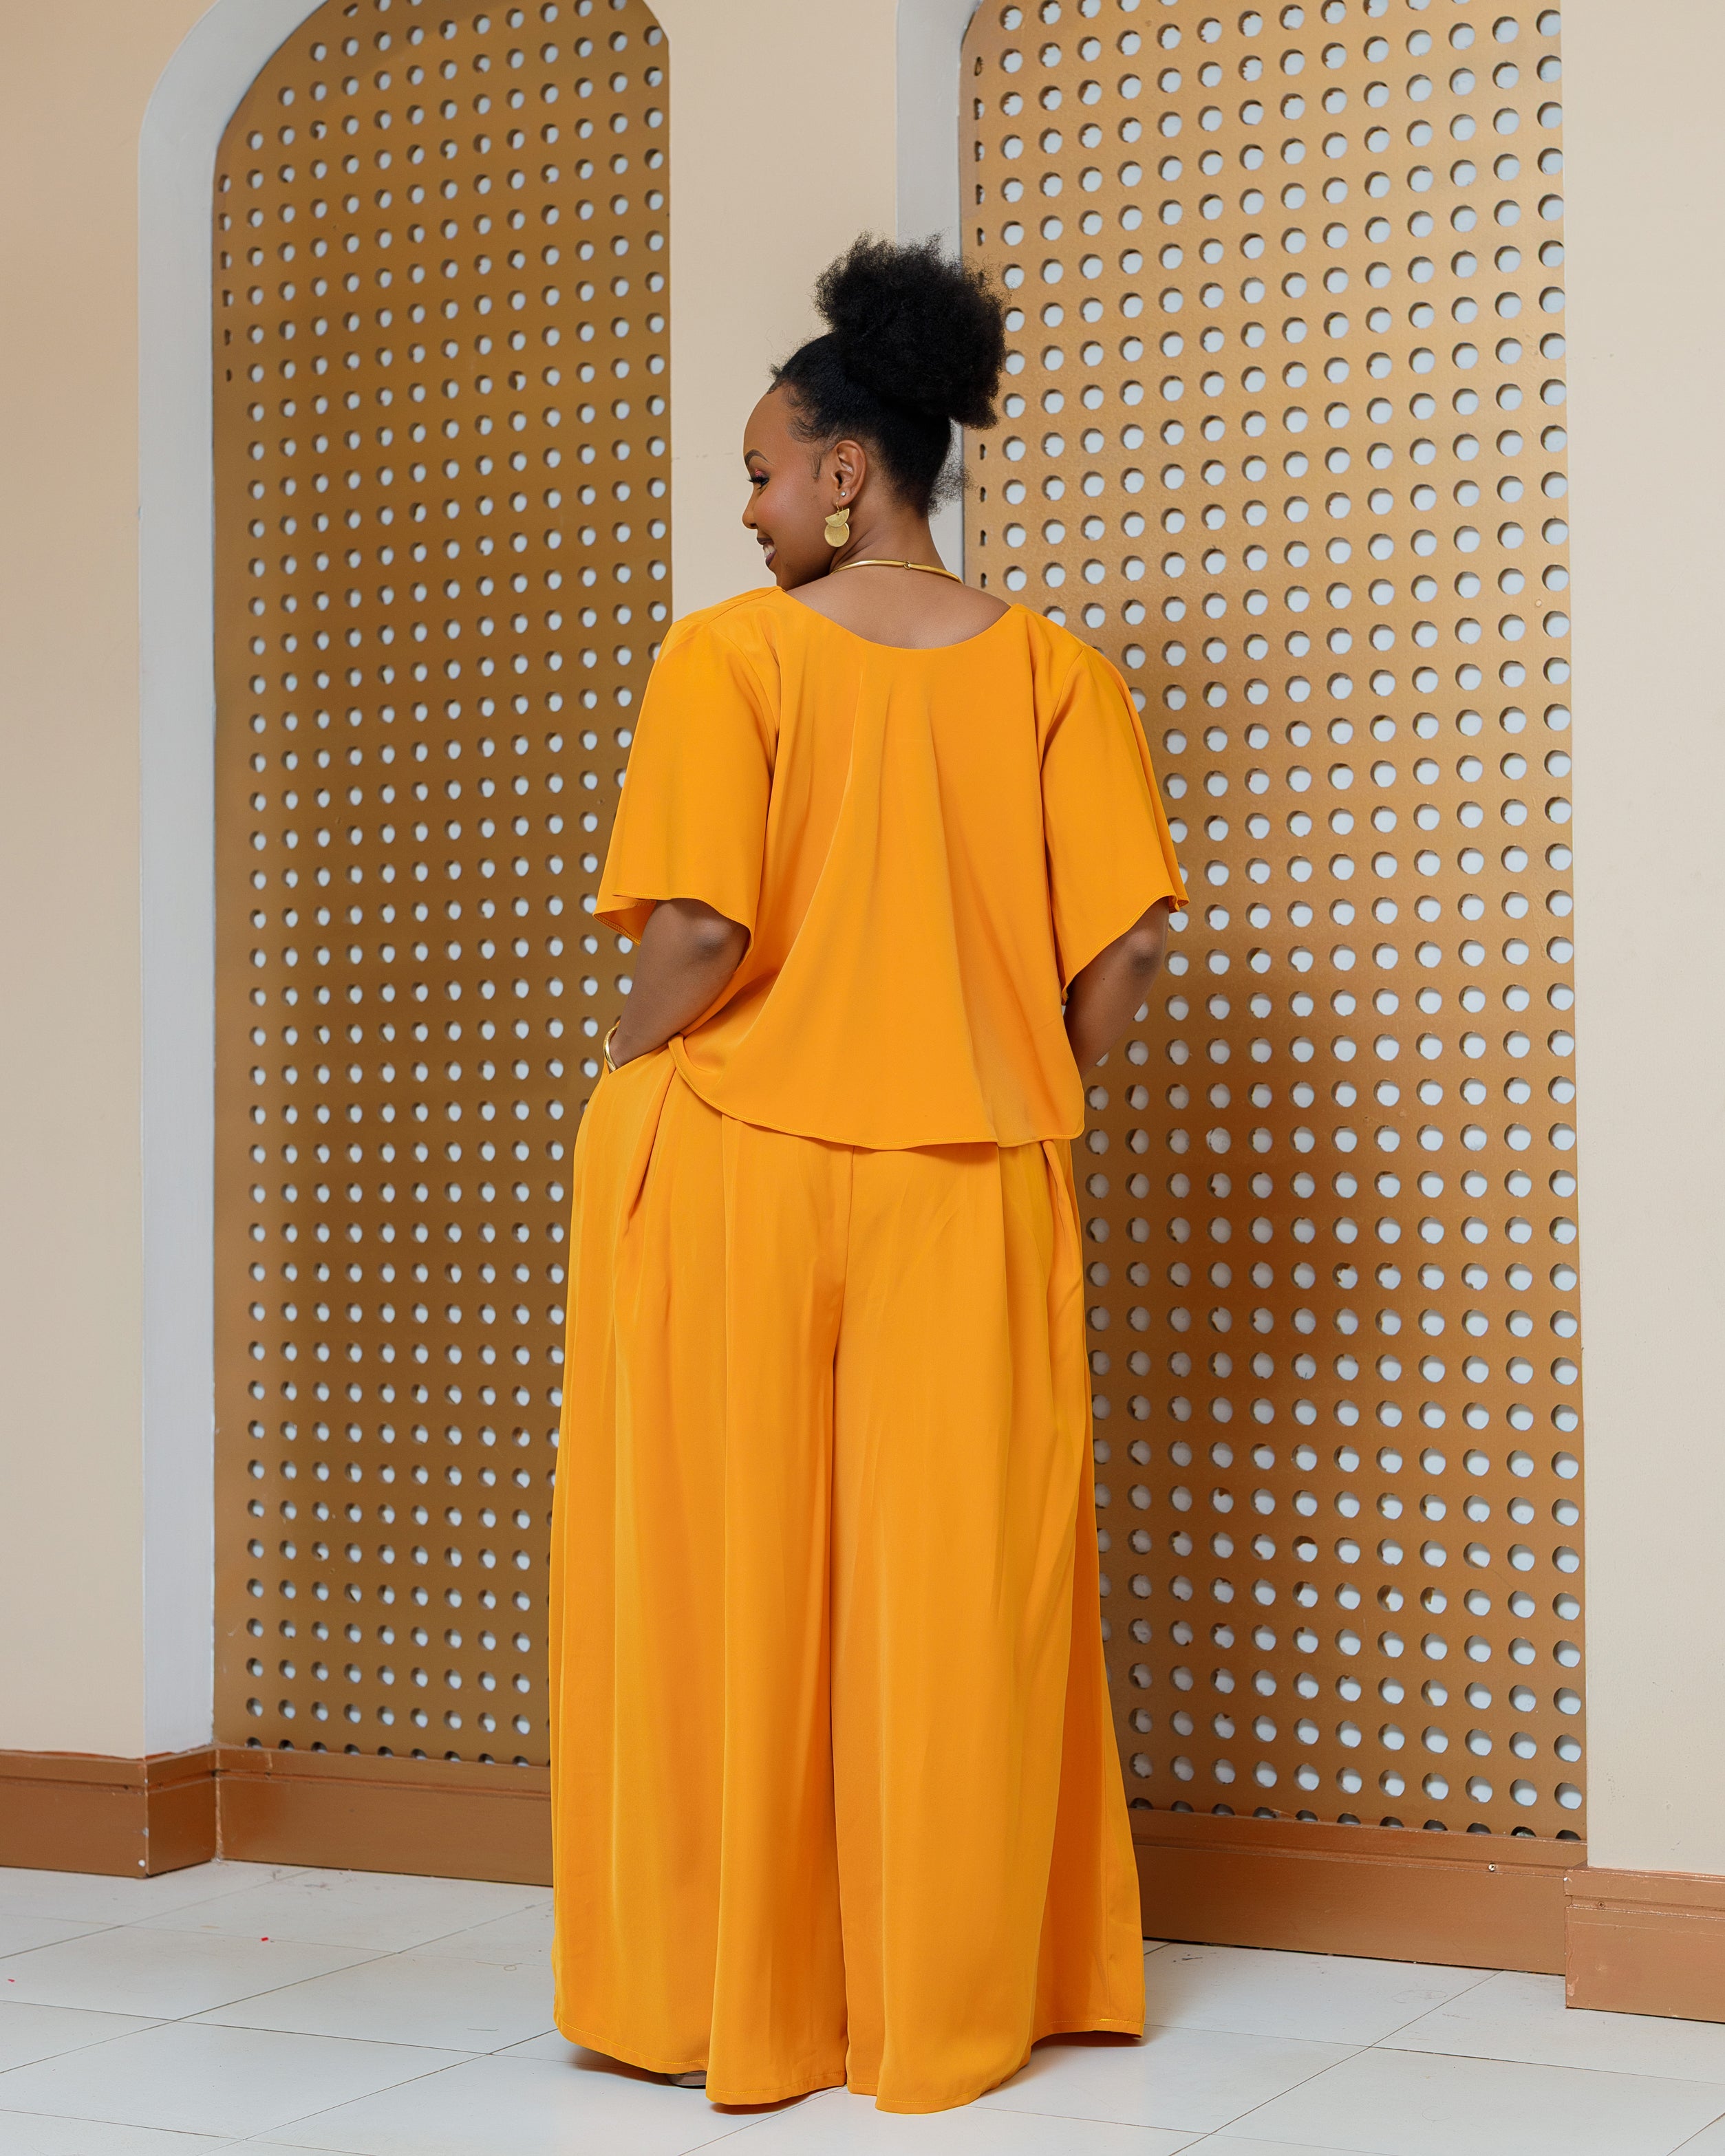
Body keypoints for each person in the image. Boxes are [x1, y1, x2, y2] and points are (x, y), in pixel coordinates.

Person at [548, 235, 1186, 2115]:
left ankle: (728, 1999)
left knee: (724, 1584)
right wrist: (1008, 1069)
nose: (747, 510)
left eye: (761, 471)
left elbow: (698, 928)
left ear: (845, 468)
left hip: (740, 1166)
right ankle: (946, 2003)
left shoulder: (730, 655)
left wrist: (626, 1061)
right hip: (968, 1181)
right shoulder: (1056, 673)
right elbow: (1127, 948)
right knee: (960, 1590)